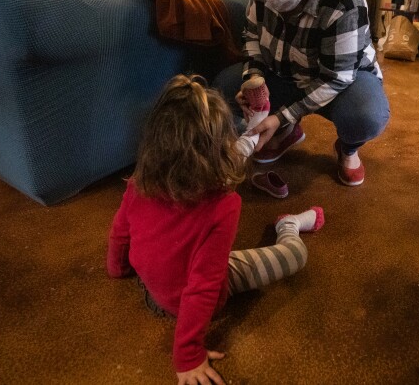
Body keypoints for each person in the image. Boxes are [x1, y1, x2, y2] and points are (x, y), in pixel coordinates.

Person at [107, 74, 324, 385]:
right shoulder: (225, 204)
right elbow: (203, 285)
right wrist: (187, 355)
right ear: (217, 150)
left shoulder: (140, 179)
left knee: (238, 154)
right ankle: (287, 224)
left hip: (152, 289)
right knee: (296, 255)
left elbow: (119, 234)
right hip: (182, 299)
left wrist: (117, 268)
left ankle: (257, 124)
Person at [214, 0, 389, 186]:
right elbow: (250, 35)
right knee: (223, 86)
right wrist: (252, 79)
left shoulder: (344, 2)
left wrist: (281, 114)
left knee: (365, 116)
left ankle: (348, 149)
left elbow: (337, 78)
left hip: (342, 83)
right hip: (285, 73)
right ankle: (287, 130)